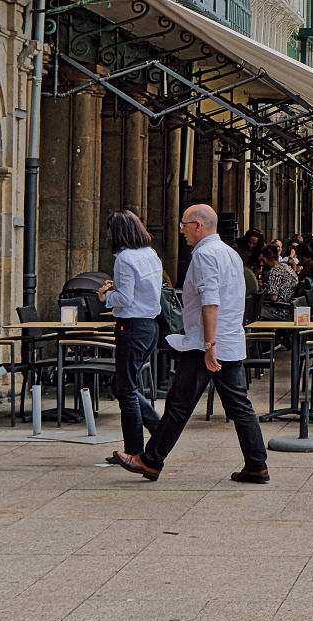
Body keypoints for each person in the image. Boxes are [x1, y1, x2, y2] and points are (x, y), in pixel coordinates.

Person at [112, 205, 267, 484]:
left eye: (183, 225)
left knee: (178, 405)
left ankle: (150, 461)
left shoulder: (205, 255)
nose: (180, 230)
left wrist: (209, 345)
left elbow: (211, 302)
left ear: (198, 225)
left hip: (206, 344)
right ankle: (257, 465)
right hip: (229, 341)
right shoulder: (230, 253)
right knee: (239, 406)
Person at [99, 211, 165, 457]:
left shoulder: (124, 258)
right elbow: (146, 289)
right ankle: (159, 429)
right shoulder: (150, 254)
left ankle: (135, 451)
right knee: (123, 384)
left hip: (132, 327)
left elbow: (125, 299)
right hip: (150, 326)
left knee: (125, 389)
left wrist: (106, 295)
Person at [257, 243, 298, 321]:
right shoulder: (286, 268)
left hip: (281, 311)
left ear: (265, 259)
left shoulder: (274, 271)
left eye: (262, 261)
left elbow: (273, 297)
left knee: (251, 309)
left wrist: (260, 296)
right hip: (290, 309)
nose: (261, 264)